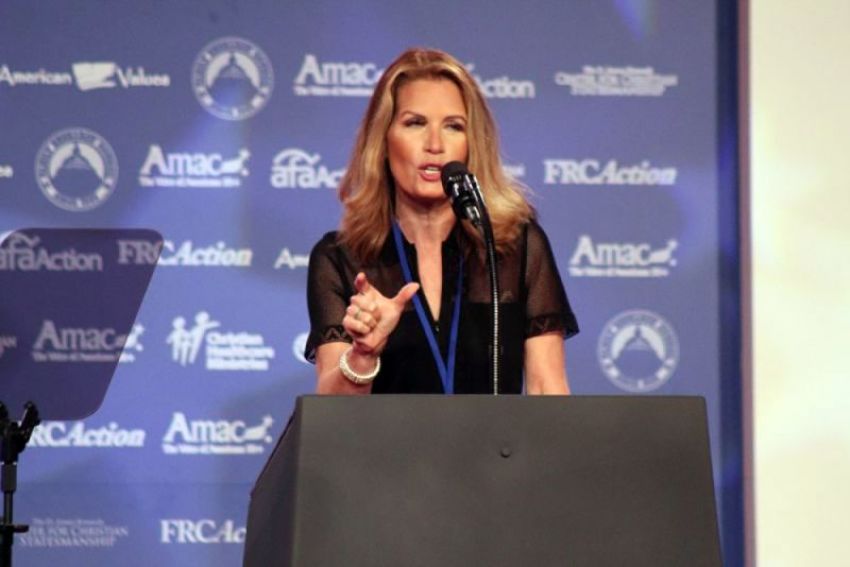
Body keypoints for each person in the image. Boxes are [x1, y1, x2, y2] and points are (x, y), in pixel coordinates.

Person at [305, 47, 578, 395]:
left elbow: (547, 389)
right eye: (415, 123)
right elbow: (333, 415)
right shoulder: (341, 259)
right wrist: (364, 354)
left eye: (453, 126)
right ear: (384, 140)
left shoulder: (517, 248)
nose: (435, 144)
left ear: (471, 144)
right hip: (389, 450)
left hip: (495, 451)